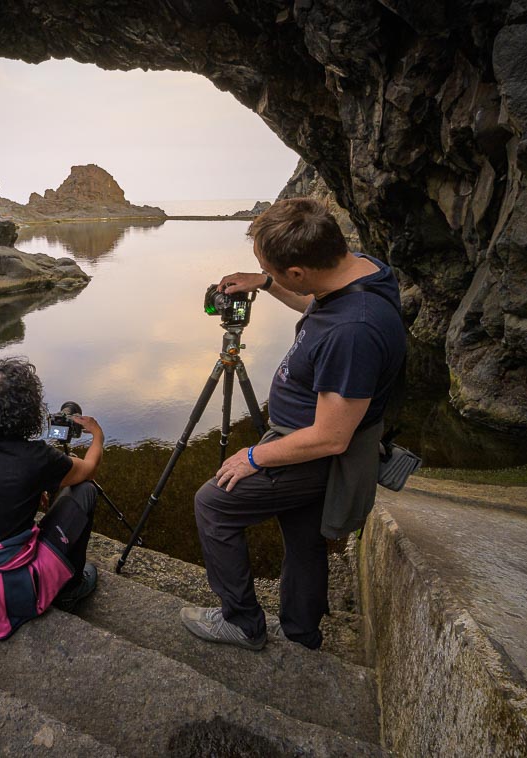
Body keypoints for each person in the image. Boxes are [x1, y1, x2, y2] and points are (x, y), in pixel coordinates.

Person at [181, 198, 406, 651]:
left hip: (314, 450)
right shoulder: (360, 272)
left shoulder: (353, 332)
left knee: (213, 504)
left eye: (273, 268)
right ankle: (302, 634)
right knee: (303, 536)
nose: (267, 272)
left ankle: (241, 622)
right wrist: (265, 282)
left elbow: (330, 436)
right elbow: (314, 297)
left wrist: (252, 456)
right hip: (305, 439)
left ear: (301, 271)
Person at [0, 358, 104, 640]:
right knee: (84, 491)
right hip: (0, 590)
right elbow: (88, 470)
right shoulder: (35, 458)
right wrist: (97, 435)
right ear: (28, 409)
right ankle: (72, 587)